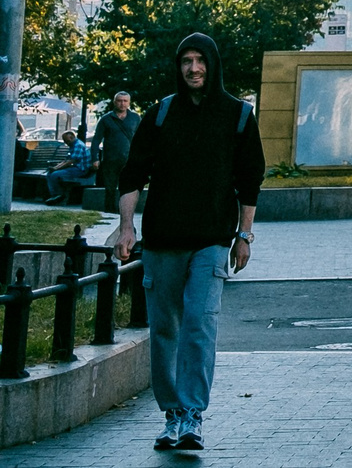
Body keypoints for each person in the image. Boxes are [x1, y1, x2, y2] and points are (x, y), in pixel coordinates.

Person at [114, 32, 264, 455]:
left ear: (212, 65)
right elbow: (132, 174)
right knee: (165, 329)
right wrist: (127, 227)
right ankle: (172, 415)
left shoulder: (238, 115)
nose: (193, 68)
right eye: (186, 61)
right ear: (178, 66)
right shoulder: (161, 114)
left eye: (200, 61)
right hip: (162, 241)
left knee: (199, 323)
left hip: (212, 241)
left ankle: (193, 415)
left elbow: (250, 179)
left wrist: (244, 236)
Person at [96, 91, 139, 211]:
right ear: (115, 102)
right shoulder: (106, 119)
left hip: (128, 159)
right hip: (110, 159)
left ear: (129, 103)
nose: (122, 103)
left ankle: (125, 210)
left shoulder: (135, 118)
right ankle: (109, 210)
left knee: (127, 186)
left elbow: (141, 138)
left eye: (125, 101)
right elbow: (96, 140)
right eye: (119, 101)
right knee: (110, 187)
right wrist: (95, 158)